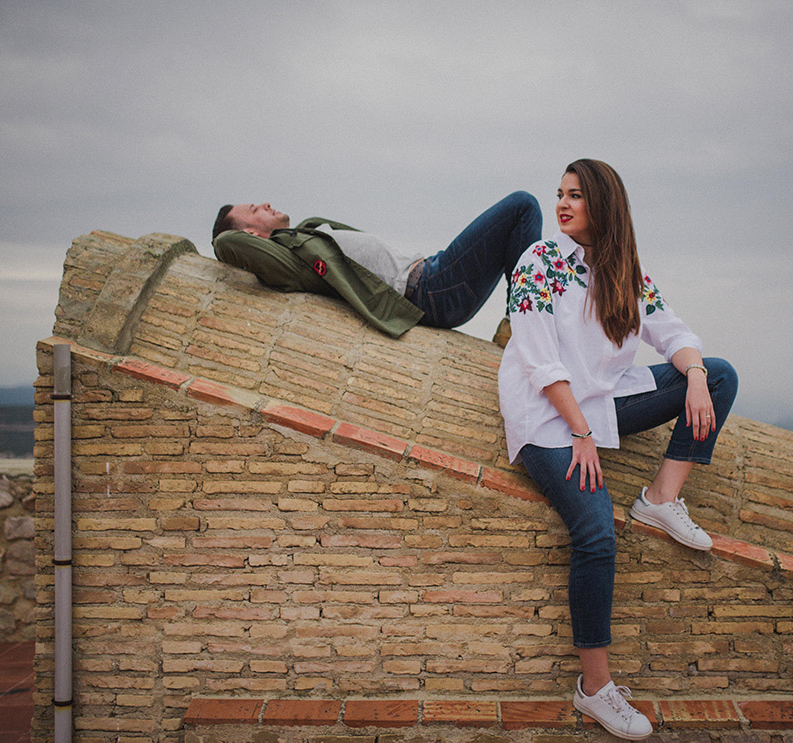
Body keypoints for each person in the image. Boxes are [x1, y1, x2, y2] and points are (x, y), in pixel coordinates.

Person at [498, 159, 738, 740]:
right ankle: (595, 690)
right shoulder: (541, 261)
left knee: (722, 374)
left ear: (603, 205)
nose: (562, 205)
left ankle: (660, 497)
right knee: (596, 531)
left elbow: (674, 334)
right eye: (560, 194)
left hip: (603, 404)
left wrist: (697, 376)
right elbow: (537, 359)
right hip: (548, 414)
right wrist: (579, 434)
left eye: (575, 196)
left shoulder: (627, 272)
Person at [211, 192, 541, 338]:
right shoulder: (290, 260)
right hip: (431, 290)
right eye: (255, 208)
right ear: (253, 233)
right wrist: (229, 236)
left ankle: (518, 323)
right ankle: (525, 325)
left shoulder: (304, 234)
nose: (266, 202)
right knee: (521, 206)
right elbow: (228, 242)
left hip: (436, 273)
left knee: (518, 224)